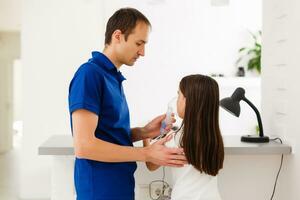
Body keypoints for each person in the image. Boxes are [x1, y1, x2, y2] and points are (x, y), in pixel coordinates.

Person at [68, 8, 187, 200]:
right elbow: (84, 146)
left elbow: (108, 135)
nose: (142, 52)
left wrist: (144, 132)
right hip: (100, 190)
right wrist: (147, 153)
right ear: (117, 36)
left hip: (120, 186)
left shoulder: (113, 78)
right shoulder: (89, 75)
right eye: (138, 43)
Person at [144, 74, 225, 200]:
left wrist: (146, 134)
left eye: (179, 95)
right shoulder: (213, 137)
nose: (176, 100)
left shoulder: (177, 139)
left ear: (188, 101)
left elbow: (151, 164)